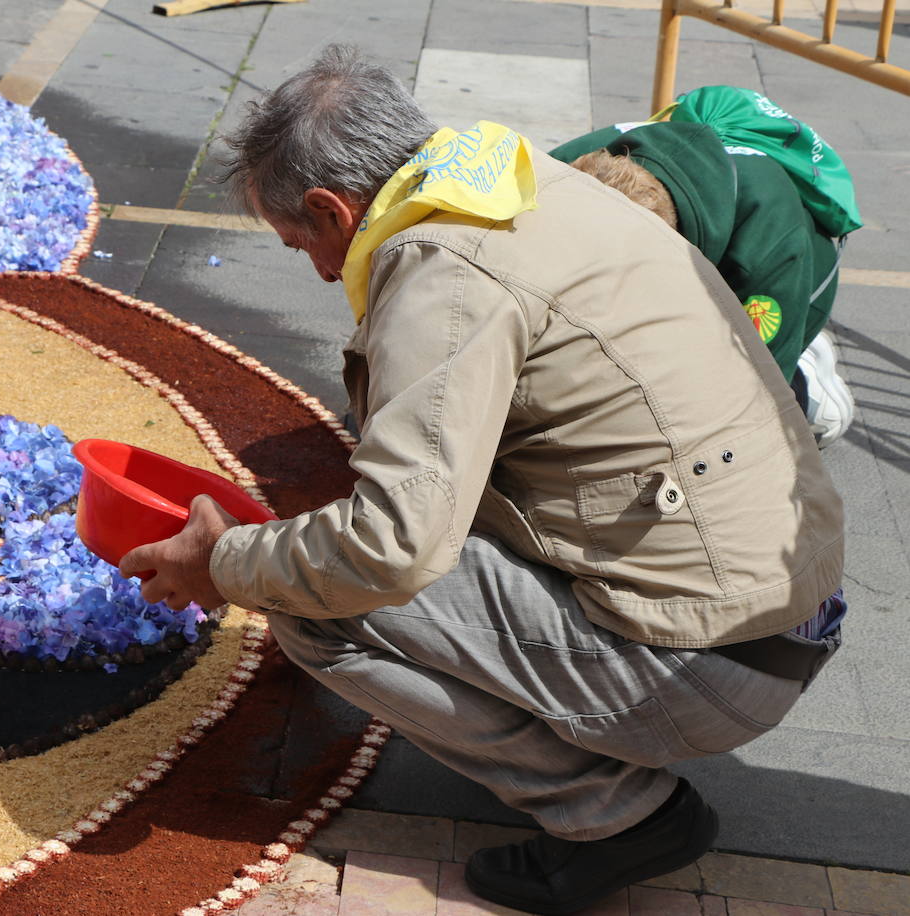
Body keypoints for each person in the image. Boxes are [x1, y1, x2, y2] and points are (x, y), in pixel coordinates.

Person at [119, 46, 845, 916]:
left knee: (317, 601)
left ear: (330, 206)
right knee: (371, 523)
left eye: (300, 242)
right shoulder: (520, 174)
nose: (315, 270)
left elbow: (391, 548)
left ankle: (618, 815)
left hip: (710, 664)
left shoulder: (442, 277)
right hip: (784, 603)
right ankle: (580, 729)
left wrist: (226, 562)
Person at [549, 90, 858, 448]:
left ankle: (806, 373)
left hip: (788, 288)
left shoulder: (770, 246)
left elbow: (753, 399)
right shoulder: (561, 171)